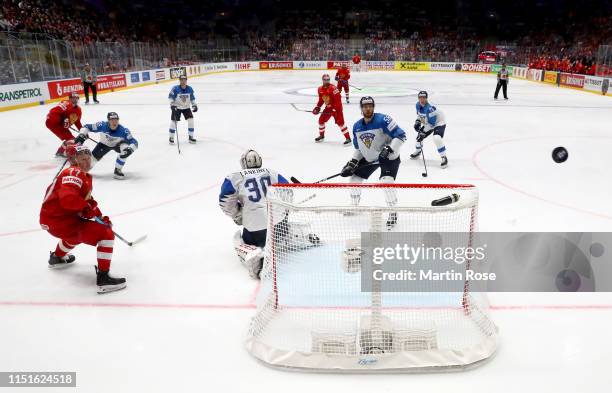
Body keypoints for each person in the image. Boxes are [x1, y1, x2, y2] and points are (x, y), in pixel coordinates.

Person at [39, 143, 126, 294]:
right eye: (82, 159)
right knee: (105, 234)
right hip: (61, 220)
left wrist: (100, 217)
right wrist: (88, 210)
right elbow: (68, 199)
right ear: (73, 160)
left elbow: (87, 202)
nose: (87, 162)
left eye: (88, 158)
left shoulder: (79, 174)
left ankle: (57, 258)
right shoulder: (74, 172)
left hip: (52, 221)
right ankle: (104, 279)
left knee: (75, 235)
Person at [218, 150, 289, 278]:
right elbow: (287, 192)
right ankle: (296, 236)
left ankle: (258, 260)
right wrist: (284, 211)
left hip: (257, 231)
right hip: (278, 227)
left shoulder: (234, 177)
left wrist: (237, 214)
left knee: (244, 241)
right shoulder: (272, 173)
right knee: (280, 230)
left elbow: (225, 201)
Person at [340, 96, 406, 229]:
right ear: (361, 108)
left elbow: (401, 135)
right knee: (354, 179)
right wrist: (353, 162)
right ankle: (354, 206)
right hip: (371, 158)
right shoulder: (357, 126)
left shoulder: (383, 120)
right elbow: (359, 148)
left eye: (370, 105)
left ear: (373, 107)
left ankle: (393, 212)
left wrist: (389, 148)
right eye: (365, 106)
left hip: (389, 157)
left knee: (386, 181)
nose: (367, 108)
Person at [74, 112, 138, 180]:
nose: (114, 122)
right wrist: (82, 134)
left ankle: (117, 170)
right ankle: (77, 172)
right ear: (108, 120)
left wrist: (130, 149)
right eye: (112, 120)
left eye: (116, 120)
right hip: (104, 145)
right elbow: (87, 127)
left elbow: (134, 142)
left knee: (125, 151)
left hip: (118, 145)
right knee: (89, 164)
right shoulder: (102, 125)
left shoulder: (123, 130)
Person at [411, 91, 448, 168]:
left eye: (424, 97)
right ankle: (418, 151)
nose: (422, 99)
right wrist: (417, 121)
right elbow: (420, 115)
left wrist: (423, 132)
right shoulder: (417, 104)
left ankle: (444, 157)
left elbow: (432, 124)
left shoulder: (430, 108)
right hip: (429, 122)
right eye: (420, 97)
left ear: (426, 98)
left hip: (439, 123)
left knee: (437, 138)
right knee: (418, 138)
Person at [312, 74, 351, 145]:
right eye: (325, 80)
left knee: (340, 123)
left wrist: (334, 110)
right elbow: (321, 99)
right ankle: (321, 136)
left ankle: (348, 138)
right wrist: (317, 107)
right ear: (322, 80)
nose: (326, 81)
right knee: (321, 121)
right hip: (328, 108)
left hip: (337, 108)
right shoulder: (320, 89)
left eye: (328, 80)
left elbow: (338, 100)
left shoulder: (333, 88)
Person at [45, 92, 83, 157]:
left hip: (62, 126)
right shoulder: (66, 103)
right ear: (70, 98)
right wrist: (61, 120)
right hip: (53, 123)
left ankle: (61, 152)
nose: (75, 100)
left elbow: (77, 121)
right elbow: (52, 112)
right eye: (73, 98)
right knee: (71, 140)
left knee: (73, 140)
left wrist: (82, 130)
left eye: (76, 98)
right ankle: (60, 153)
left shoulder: (78, 110)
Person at [168, 75, 197, 144]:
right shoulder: (175, 88)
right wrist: (172, 105)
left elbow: (192, 98)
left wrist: (194, 105)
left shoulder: (190, 89)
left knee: (191, 121)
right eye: (181, 80)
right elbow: (170, 97)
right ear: (179, 80)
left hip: (186, 107)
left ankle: (191, 137)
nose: (183, 81)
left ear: (186, 80)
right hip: (177, 107)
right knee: (174, 122)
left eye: (184, 80)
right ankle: (171, 137)